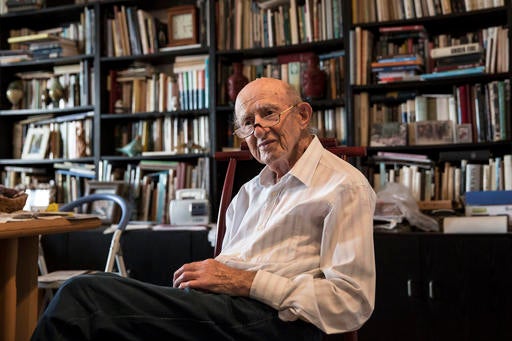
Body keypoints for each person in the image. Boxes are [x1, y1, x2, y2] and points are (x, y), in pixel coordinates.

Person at [32, 77, 376, 341]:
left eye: (268, 113)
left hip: (279, 322)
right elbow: (226, 274)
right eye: (247, 123)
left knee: (84, 297)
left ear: (301, 115)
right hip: (225, 311)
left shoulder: (343, 185)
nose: (258, 130)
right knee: (99, 287)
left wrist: (246, 282)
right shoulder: (250, 192)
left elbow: (350, 302)